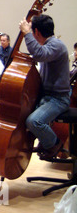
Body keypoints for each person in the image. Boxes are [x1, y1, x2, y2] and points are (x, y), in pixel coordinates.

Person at [19, 14, 70, 160]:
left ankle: (55, 145)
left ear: (36, 32)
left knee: (33, 121)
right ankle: (44, 141)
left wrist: (26, 34)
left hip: (58, 99)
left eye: (32, 33)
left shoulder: (56, 45)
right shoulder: (49, 45)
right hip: (47, 97)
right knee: (24, 118)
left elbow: (40, 55)